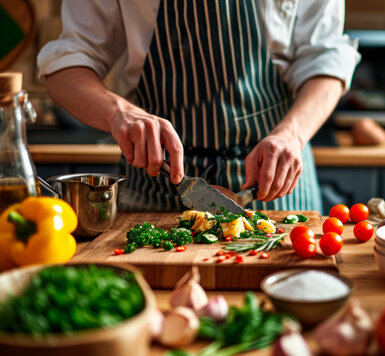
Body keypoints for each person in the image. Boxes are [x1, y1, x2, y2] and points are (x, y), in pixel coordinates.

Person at [37, 0, 360, 211]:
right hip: (154, 186)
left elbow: (325, 58)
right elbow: (65, 65)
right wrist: (118, 112)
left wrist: (292, 135)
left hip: (277, 185)